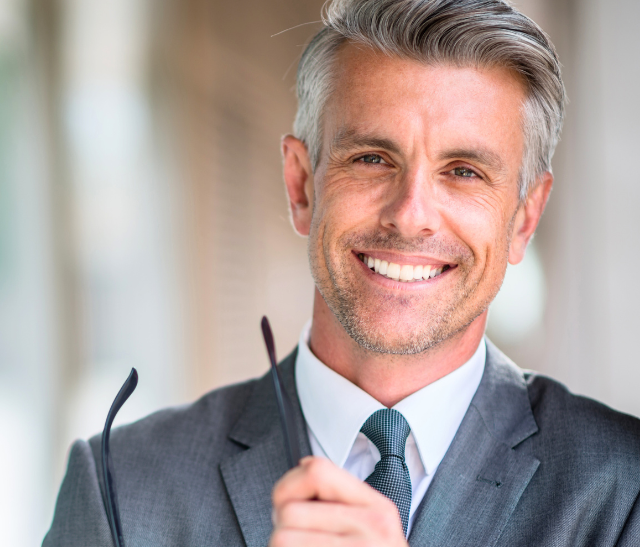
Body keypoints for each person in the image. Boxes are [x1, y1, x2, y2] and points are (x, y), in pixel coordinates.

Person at [43, 0, 640, 545]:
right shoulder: (121, 487)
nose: (410, 217)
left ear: (524, 219)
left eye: (463, 171)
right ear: (301, 185)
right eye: (373, 159)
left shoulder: (622, 492)